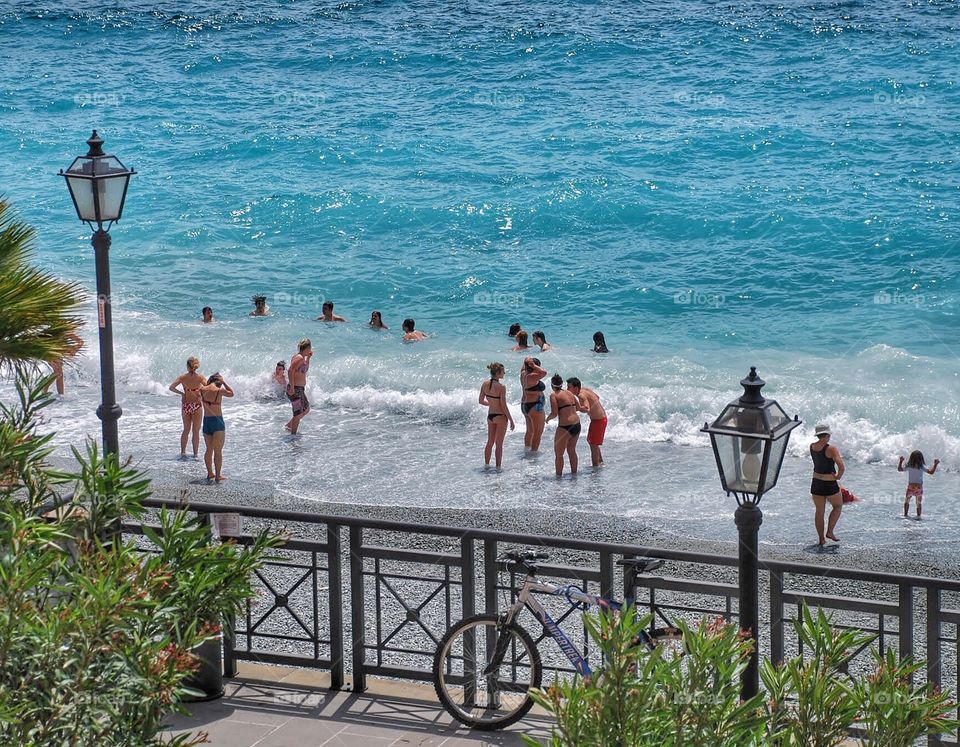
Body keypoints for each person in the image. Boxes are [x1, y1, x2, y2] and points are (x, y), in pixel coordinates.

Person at [810, 424, 845, 546]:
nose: (830, 436)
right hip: (829, 484)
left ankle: (821, 539)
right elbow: (841, 466)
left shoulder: (812, 446)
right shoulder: (831, 449)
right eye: (829, 434)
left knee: (819, 512)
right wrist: (838, 476)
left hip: (816, 483)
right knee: (837, 506)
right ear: (825, 436)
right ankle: (829, 532)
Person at [168, 356, 205, 458]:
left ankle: (183, 452)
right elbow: (208, 389)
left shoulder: (182, 377)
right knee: (196, 431)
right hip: (197, 405)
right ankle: (196, 454)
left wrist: (182, 394)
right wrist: (200, 393)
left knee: (186, 430)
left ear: (188, 366)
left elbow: (171, 387)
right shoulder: (200, 378)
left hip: (186, 405)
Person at [479, 362, 514, 468]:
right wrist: (511, 419)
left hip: (490, 416)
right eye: (503, 371)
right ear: (498, 373)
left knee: (490, 442)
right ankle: (498, 467)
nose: (504, 373)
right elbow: (503, 406)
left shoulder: (485, 384)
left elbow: (480, 401)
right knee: (499, 445)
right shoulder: (501, 387)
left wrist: (490, 404)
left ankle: (486, 465)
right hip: (500, 416)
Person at [200, 372, 233, 481]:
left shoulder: (202, 389)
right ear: (218, 381)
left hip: (206, 421)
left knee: (208, 449)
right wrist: (224, 382)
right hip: (217, 422)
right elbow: (232, 393)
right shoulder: (220, 390)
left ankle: (210, 473)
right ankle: (218, 475)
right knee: (218, 450)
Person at [546, 373, 582, 476]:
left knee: (559, 454)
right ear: (562, 384)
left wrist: (547, 419)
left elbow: (554, 413)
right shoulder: (569, 393)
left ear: (552, 386)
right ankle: (574, 476)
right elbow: (578, 408)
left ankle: (558, 479)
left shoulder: (554, 395)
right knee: (571, 451)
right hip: (577, 425)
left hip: (565, 427)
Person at [567, 378, 607, 467]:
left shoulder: (581, 395)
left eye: (569, 387)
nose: (567, 389)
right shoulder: (585, 389)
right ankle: (600, 462)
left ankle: (595, 469)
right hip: (599, 419)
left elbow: (586, 408)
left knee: (593, 444)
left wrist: (576, 407)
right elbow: (597, 397)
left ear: (576, 388)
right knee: (592, 443)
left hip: (599, 421)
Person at [898, 451, 940, 518]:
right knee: (918, 503)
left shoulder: (909, 466)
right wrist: (935, 464)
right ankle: (918, 516)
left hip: (911, 487)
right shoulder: (921, 467)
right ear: (921, 458)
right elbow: (931, 472)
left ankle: (905, 515)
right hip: (919, 487)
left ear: (911, 458)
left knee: (907, 501)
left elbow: (900, 469)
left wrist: (900, 461)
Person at [285, 338, 313, 434]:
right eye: (310, 348)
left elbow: (303, 370)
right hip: (295, 389)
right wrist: (292, 387)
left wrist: (308, 358)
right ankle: (293, 436)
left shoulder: (302, 358)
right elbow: (290, 370)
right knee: (298, 413)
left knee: (306, 408)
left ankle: (289, 426)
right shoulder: (299, 358)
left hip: (300, 389)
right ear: (308, 347)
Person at [520, 357, 547, 451]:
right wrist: (534, 365)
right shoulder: (532, 376)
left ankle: (527, 450)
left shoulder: (523, 374)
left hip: (525, 405)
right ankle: (533, 455)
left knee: (530, 431)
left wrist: (528, 361)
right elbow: (544, 372)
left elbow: (525, 362)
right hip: (534, 406)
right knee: (537, 433)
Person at [49, 332, 85, 396]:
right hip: (49, 353)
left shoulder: (67, 333)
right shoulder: (52, 332)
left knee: (59, 373)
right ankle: (44, 391)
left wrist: (75, 349)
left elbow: (81, 342)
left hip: (58, 354)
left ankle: (61, 394)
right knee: (58, 372)